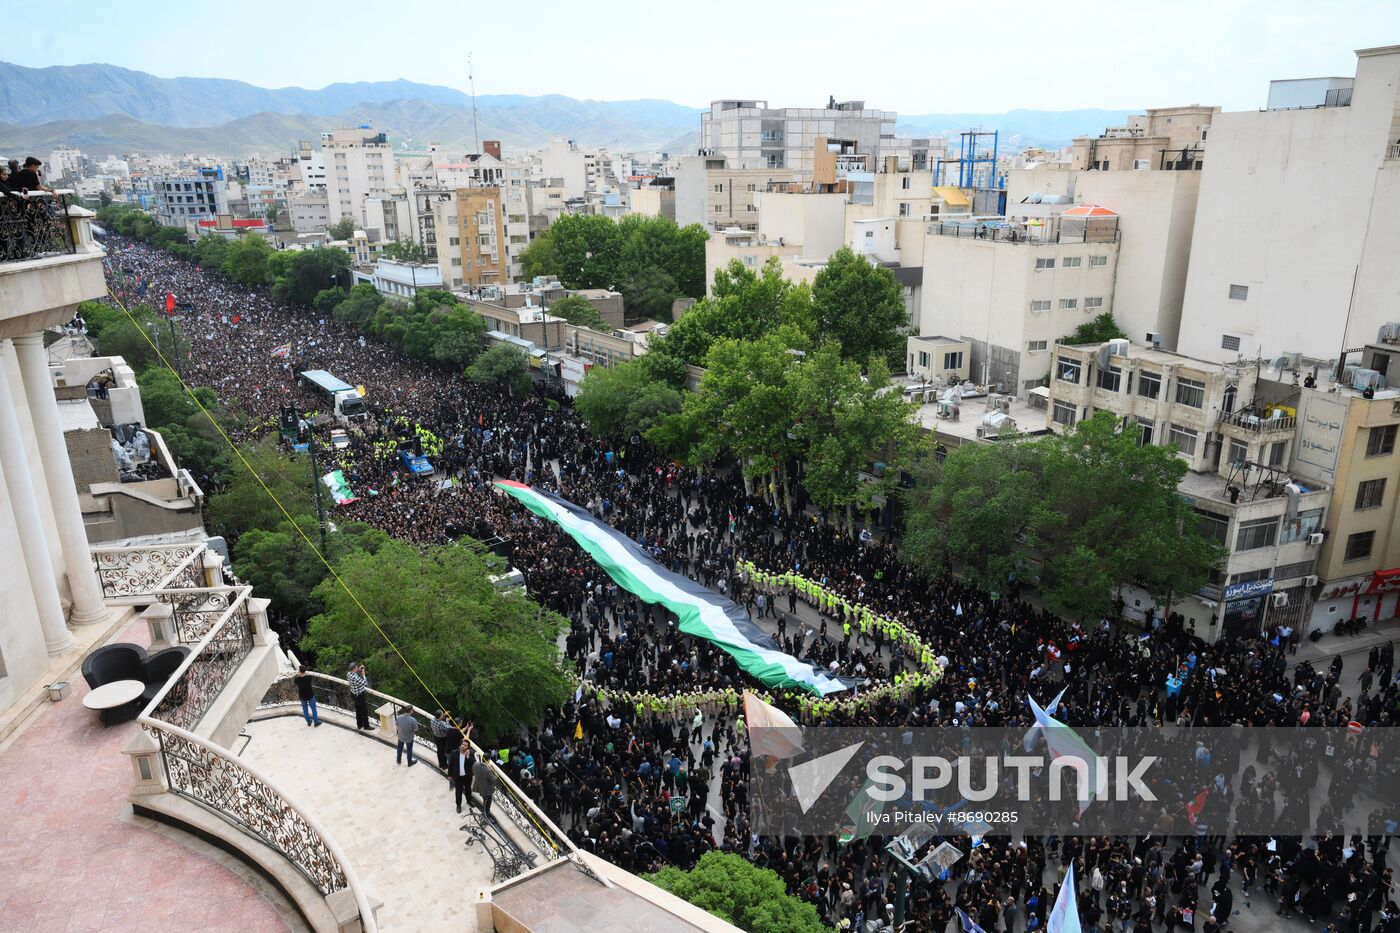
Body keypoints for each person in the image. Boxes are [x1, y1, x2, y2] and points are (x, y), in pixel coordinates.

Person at [448, 730, 475, 814]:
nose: (463, 746)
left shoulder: (470, 754)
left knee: (468, 790)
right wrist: (449, 775)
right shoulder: (454, 753)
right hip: (457, 776)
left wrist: (468, 757)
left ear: (468, 747)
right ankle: (458, 805)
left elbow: (473, 763)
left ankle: (469, 801)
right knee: (458, 791)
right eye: (462, 744)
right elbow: (450, 765)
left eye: (465, 745)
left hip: (467, 776)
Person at [472, 751, 496, 817]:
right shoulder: (488, 770)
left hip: (480, 787)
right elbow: (493, 779)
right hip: (487, 790)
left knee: (485, 801)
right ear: (488, 760)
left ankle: (485, 812)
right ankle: (486, 813)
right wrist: (494, 772)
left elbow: (473, 772)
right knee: (487, 803)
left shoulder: (475, 764)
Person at [348, 662, 371, 729]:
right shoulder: (355, 678)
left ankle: (359, 725)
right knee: (364, 710)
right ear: (354, 668)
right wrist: (363, 674)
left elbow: (354, 673)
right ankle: (366, 726)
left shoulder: (349, 674)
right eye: (357, 667)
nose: (358, 668)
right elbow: (365, 683)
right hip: (359, 696)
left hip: (353, 694)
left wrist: (359, 669)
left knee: (358, 710)